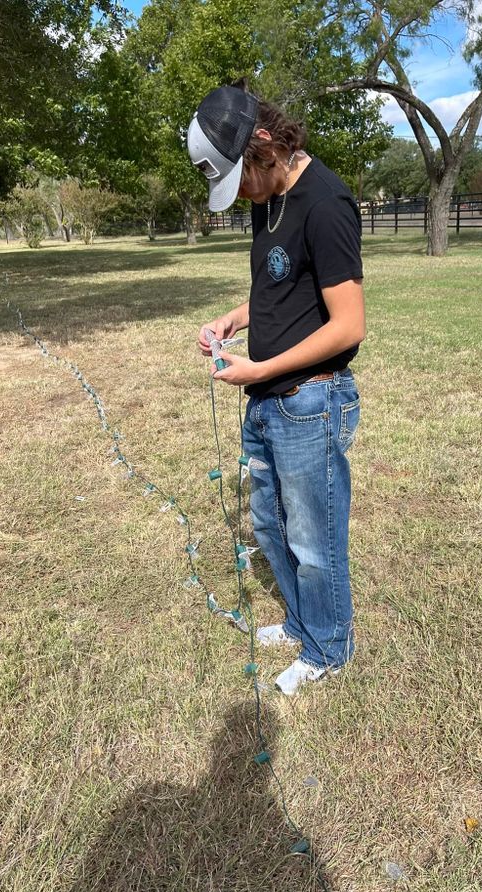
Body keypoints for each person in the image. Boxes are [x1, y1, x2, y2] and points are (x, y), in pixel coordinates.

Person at [187, 83, 365, 696]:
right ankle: (299, 623)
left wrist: (260, 371)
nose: (240, 197)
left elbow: (348, 324)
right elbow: (276, 289)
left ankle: (327, 647)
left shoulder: (326, 202)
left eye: (241, 180)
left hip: (309, 401)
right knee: (268, 524)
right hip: (268, 401)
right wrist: (235, 320)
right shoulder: (270, 197)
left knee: (314, 539)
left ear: (264, 144)